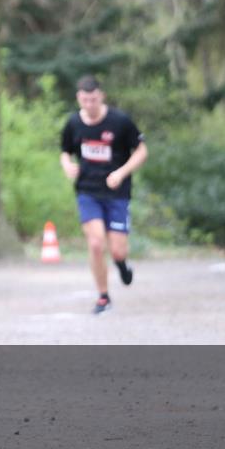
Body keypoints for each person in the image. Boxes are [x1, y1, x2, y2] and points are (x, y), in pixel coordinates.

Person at [59, 75, 147, 315]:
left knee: (117, 249)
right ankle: (103, 296)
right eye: (85, 100)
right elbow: (65, 152)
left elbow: (141, 151)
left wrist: (122, 172)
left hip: (117, 193)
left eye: (94, 100)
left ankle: (121, 264)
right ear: (79, 98)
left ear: (101, 96)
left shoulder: (120, 121)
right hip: (88, 191)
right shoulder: (73, 123)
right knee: (96, 243)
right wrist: (67, 165)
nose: (89, 105)